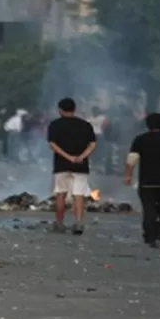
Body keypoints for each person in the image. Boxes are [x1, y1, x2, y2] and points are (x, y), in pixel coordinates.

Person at [47, 97, 97, 235]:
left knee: (61, 194)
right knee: (79, 195)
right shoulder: (85, 125)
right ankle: (79, 223)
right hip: (81, 165)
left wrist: (68, 157)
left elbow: (52, 145)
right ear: (74, 109)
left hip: (61, 165)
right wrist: (81, 156)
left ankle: (60, 223)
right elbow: (93, 144)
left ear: (60, 110)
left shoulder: (55, 125)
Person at [125, 112, 160, 247]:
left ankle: (150, 236)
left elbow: (132, 160)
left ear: (147, 124)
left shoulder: (140, 139)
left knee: (149, 209)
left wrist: (128, 176)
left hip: (147, 182)